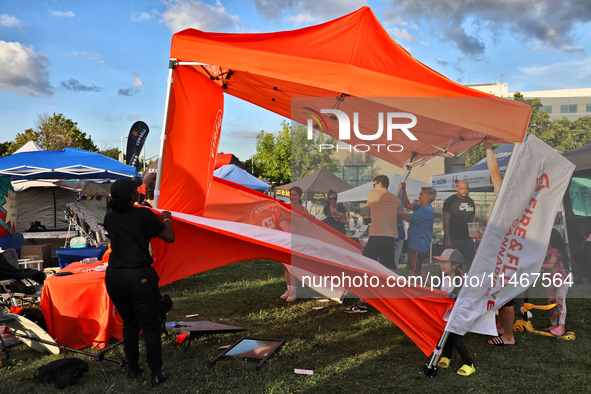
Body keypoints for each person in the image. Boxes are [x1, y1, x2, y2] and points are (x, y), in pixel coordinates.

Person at [104, 177, 175, 385]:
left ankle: (133, 368)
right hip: (139, 276)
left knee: (130, 323)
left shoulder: (109, 216)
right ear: (132, 196)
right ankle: (155, 373)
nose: (139, 191)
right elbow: (169, 237)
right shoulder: (143, 215)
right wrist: (166, 218)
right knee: (151, 325)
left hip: (115, 276)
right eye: (136, 189)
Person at [345, 175, 401, 313]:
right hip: (389, 238)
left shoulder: (372, 194)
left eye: (374, 184)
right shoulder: (396, 199)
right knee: (387, 271)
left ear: (380, 184)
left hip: (376, 236)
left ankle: (362, 303)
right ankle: (389, 304)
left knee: (367, 270)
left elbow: (371, 212)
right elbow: (396, 217)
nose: (373, 186)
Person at [483, 139, 516, 346]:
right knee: (500, 294)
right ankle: (502, 328)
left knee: (506, 296)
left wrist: (488, 146)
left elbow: (494, 171)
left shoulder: (509, 199)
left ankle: (509, 337)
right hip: (500, 251)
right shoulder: (509, 199)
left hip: (505, 254)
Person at [434, 249, 476, 376]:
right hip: (447, 315)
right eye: (440, 262)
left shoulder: (462, 283)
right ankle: (447, 356)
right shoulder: (443, 278)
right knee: (445, 335)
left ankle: (469, 364)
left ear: (454, 266)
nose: (441, 265)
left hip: (459, 316)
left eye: (445, 262)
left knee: (456, 339)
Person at [399, 184, 436, 282]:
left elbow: (408, 218)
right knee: (418, 269)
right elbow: (407, 204)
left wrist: (396, 209)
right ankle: (434, 288)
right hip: (418, 244)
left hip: (417, 244)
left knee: (411, 269)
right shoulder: (421, 207)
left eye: (421, 195)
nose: (419, 196)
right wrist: (404, 190)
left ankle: (418, 291)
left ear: (428, 198)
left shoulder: (425, 211)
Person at [280, 186, 309, 302]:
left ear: (300, 196)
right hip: (286, 239)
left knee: (293, 266)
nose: (292, 197)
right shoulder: (286, 207)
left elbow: (308, 225)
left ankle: (293, 291)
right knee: (286, 266)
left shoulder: (303, 209)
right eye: (290, 194)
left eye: (295, 194)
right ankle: (288, 289)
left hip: (298, 241)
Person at [442, 180, 476, 271]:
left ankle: (467, 283)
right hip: (453, 239)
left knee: (471, 262)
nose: (464, 191)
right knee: (450, 265)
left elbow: (473, 220)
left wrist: (475, 237)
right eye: (462, 189)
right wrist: (448, 239)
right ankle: (445, 283)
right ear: (457, 189)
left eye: (466, 188)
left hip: (467, 239)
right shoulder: (450, 201)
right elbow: (445, 220)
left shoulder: (471, 202)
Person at [541, 228, 570, 336]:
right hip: (550, 280)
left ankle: (561, 326)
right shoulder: (546, 250)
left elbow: (550, 265)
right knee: (551, 301)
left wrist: (536, 266)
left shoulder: (556, 251)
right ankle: (553, 325)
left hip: (561, 280)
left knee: (560, 301)